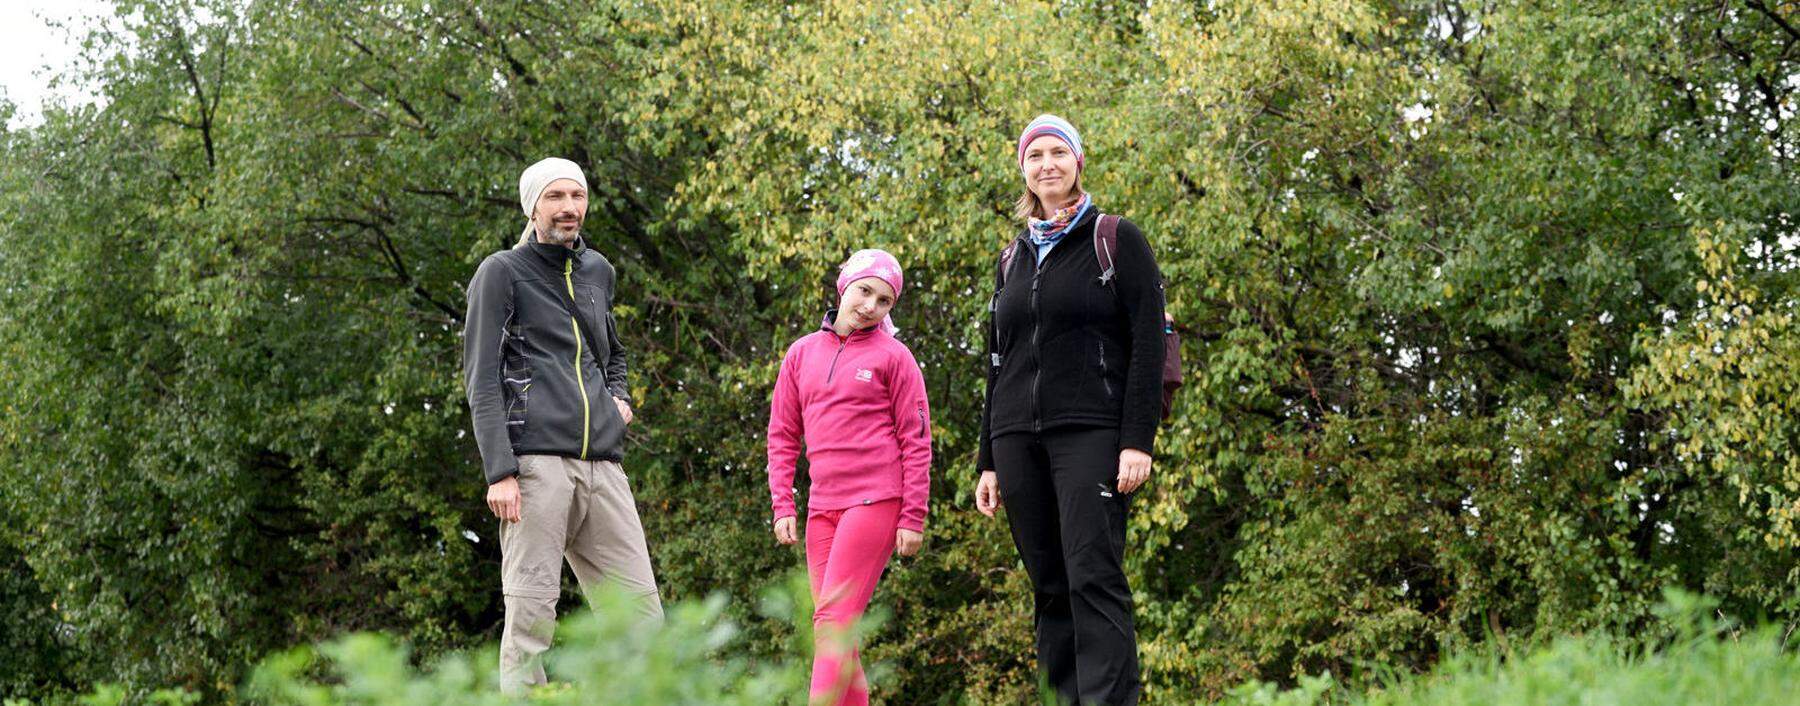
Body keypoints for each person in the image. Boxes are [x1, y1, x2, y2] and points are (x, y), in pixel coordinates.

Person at [973, 115, 1165, 706]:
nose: (1047, 164)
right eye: (1036, 156)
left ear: (1078, 162)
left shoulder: (1115, 237)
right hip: (1016, 440)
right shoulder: (1012, 258)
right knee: (1050, 587)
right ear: (1024, 171)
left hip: (1090, 432)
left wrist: (1137, 439)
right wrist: (987, 460)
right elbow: (998, 360)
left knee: (1092, 576)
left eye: (1059, 152)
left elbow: (1149, 340)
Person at [462, 157, 662, 692]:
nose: (569, 207)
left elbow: (611, 353)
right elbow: (480, 379)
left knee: (640, 615)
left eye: (577, 196)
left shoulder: (598, 271)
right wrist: (499, 470)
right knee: (531, 617)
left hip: (604, 466)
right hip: (535, 466)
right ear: (532, 206)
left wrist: (617, 399)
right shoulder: (501, 272)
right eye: (555, 197)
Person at [766, 249, 933, 706]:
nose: (870, 306)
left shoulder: (894, 357)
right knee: (836, 631)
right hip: (823, 508)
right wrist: (784, 502)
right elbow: (782, 433)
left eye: (883, 301)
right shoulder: (801, 353)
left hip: (877, 500)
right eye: (865, 291)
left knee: (833, 622)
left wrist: (912, 516)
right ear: (844, 284)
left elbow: (917, 439)